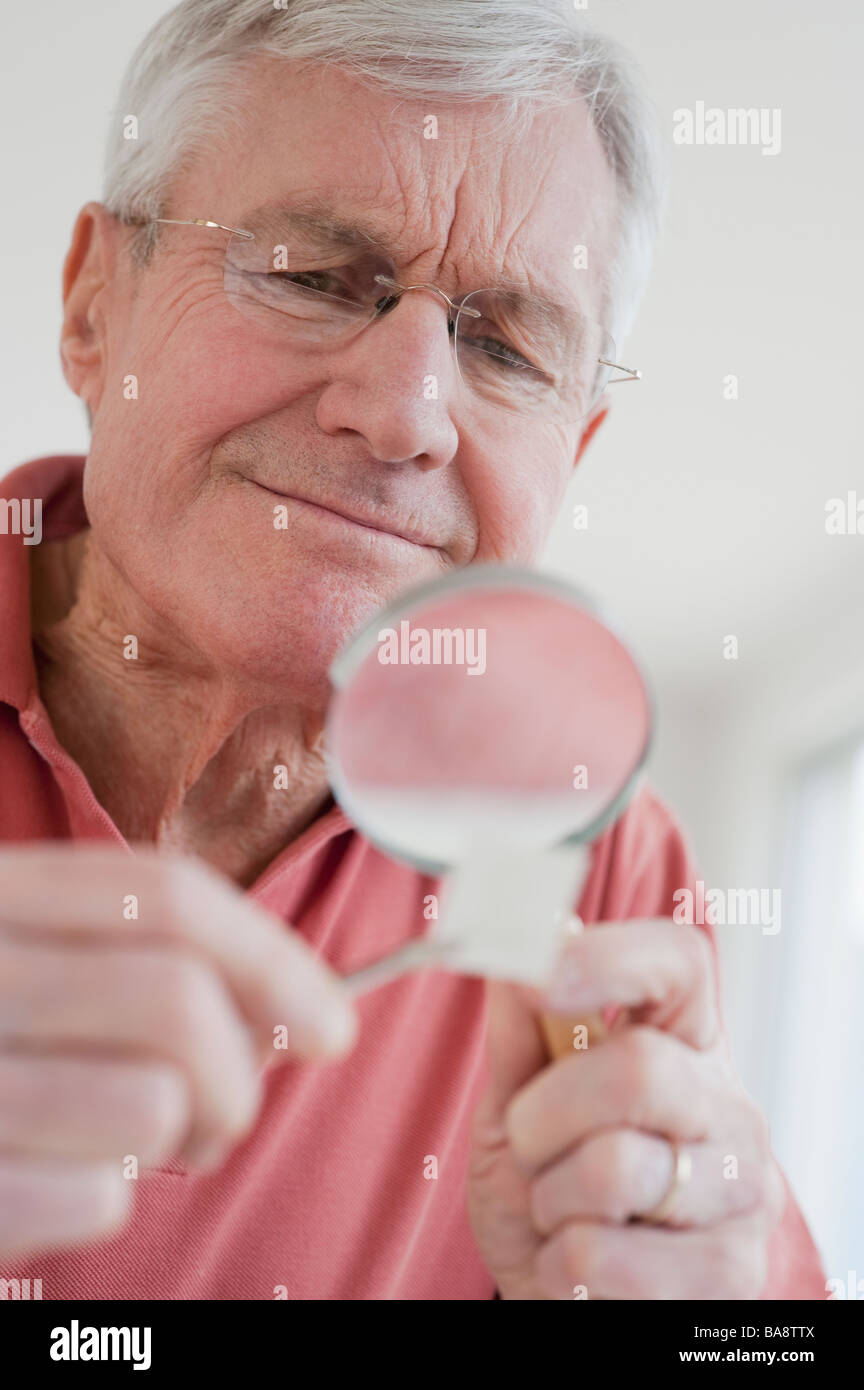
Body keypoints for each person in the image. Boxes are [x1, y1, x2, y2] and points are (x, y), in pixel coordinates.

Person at [0, 0, 825, 1299]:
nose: (403, 416)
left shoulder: (600, 856)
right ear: (94, 302)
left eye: (503, 345)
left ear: (575, 455)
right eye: (313, 274)